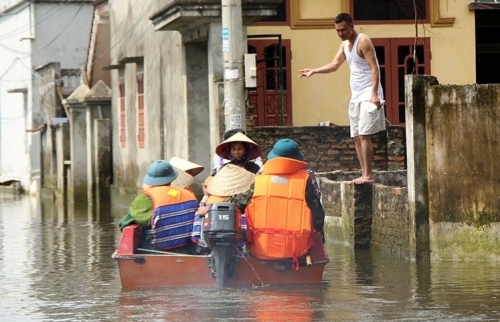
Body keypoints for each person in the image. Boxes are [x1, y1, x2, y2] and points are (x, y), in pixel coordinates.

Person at [298, 12, 386, 184]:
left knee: (364, 134)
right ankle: (363, 173)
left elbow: (375, 68)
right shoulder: (345, 45)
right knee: (355, 136)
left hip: (369, 93)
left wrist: (374, 94)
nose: (340, 33)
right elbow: (335, 65)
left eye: (343, 30)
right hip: (356, 95)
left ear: (352, 26)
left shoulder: (363, 41)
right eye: (337, 31)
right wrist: (314, 71)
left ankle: (368, 175)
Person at [245, 138, 325, 270]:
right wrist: (320, 237)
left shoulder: (259, 181)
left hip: (261, 248)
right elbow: (318, 216)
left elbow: (239, 204)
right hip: (295, 251)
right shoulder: (305, 181)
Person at [118, 160, 199, 254]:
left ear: (150, 179)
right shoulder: (188, 194)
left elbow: (124, 223)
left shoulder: (145, 199)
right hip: (187, 249)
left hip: (156, 250)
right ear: (172, 177)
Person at [192, 164, 256, 254]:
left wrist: (206, 198)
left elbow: (196, 237)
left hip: (208, 250)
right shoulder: (249, 196)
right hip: (237, 250)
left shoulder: (208, 205)